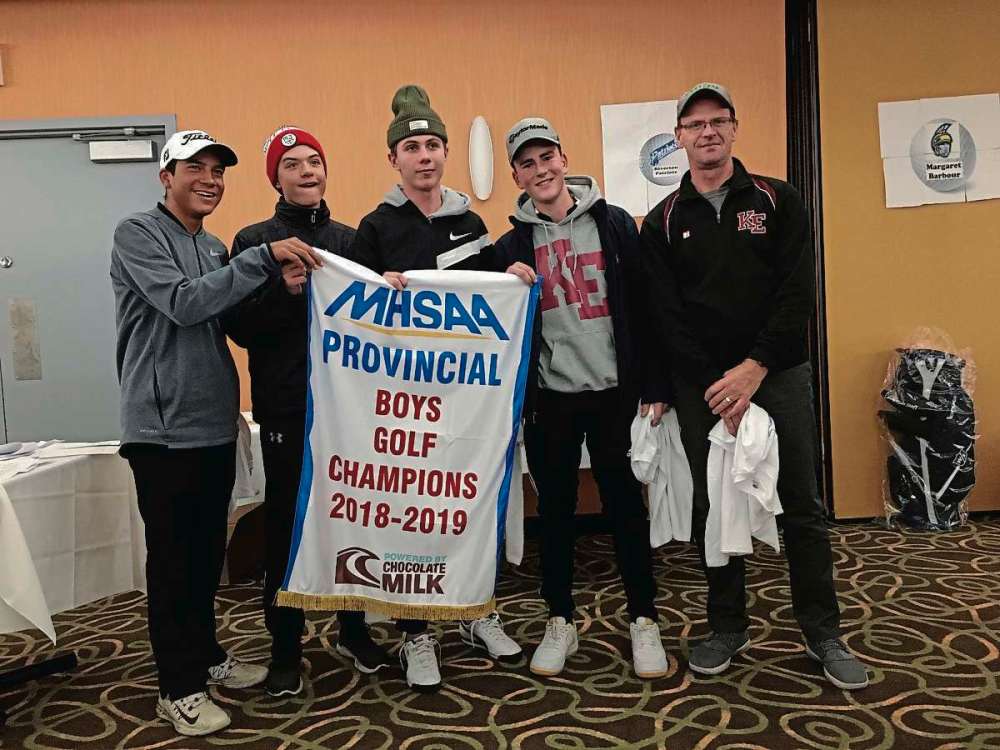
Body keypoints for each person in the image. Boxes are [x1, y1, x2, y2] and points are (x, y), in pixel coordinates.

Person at [640, 83, 869, 690]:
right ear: (680, 137)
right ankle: (725, 626)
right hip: (703, 387)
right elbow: (665, 316)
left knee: (803, 507)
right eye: (695, 124)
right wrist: (718, 384)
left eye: (718, 121)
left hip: (778, 375)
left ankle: (823, 632)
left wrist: (754, 369)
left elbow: (798, 294)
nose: (707, 132)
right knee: (712, 505)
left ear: (735, 128)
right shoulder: (661, 221)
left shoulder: (780, 200)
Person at [110, 129, 321, 736]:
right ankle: (176, 687)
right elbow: (181, 303)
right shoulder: (137, 234)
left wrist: (277, 289)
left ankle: (205, 656)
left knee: (207, 557)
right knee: (173, 562)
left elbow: (226, 315)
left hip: (212, 426)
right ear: (165, 177)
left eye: (218, 171)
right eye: (194, 168)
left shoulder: (212, 246)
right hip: (162, 429)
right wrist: (261, 259)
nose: (209, 179)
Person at [349, 84, 523, 693]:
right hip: (405, 402)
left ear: (446, 153)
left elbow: (490, 298)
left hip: (466, 397)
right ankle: (415, 630)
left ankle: (477, 611)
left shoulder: (470, 221)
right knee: (412, 513)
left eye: (433, 145)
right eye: (412, 147)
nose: (424, 156)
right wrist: (378, 289)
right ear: (393, 159)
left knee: (470, 503)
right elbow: (358, 313)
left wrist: (512, 276)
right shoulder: (374, 227)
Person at [490, 117, 669, 680]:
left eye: (548, 158)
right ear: (517, 174)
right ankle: (559, 618)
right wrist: (501, 273)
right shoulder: (512, 243)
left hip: (615, 393)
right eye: (527, 163)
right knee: (558, 513)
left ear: (564, 159)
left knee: (623, 508)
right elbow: (472, 296)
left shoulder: (614, 224)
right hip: (552, 400)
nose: (540, 170)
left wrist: (655, 385)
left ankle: (644, 618)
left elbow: (647, 306)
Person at [225, 126, 390, 698]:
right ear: (275, 177)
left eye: (314, 161)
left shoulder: (350, 240)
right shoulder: (252, 241)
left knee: (349, 518)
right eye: (292, 164)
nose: (306, 171)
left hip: (351, 410)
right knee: (287, 528)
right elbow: (237, 327)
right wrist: (284, 292)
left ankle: (353, 630)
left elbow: (380, 321)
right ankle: (284, 649)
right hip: (288, 406)